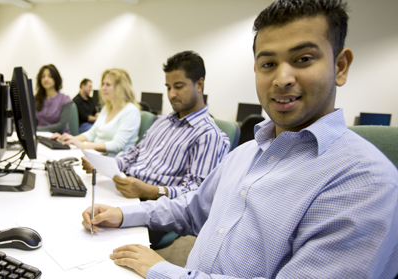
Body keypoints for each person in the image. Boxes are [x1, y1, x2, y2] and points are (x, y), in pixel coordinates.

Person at [82, 0, 398, 277]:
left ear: (340, 67)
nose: (282, 78)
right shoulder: (247, 153)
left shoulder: (365, 182)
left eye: (303, 59)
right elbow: (193, 209)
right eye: (268, 64)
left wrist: (162, 271)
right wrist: (125, 214)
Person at [82, 51, 230, 201]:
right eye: (168, 87)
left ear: (199, 84)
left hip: (153, 204)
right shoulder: (162, 122)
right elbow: (135, 153)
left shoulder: (209, 135)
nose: (171, 94)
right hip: (127, 190)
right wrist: (105, 165)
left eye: (178, 87)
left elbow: (197, 194)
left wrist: (150, 191)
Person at [52, 69, 141, 156]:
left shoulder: (131, 111)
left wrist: (83, 145)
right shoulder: (107, 108)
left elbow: (117, 145)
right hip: (97, 155)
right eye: (103, 84)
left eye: (108, 85)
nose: (103, 88)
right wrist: (70, 139)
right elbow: (92, 133)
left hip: (113, 161)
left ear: (121, 88)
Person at [35, 64, 72, 134]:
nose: (46, 79)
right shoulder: (36, 99)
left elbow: (61, 126)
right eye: (43, 76)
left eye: (50, 76)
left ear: (56, 78)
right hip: (40, 136)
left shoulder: (65, 100)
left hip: (60, 137)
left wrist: (35, 129)